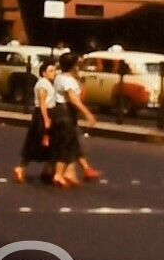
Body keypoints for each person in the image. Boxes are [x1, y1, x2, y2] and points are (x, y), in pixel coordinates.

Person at [51, 51, 100, 188]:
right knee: (65, 144)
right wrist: (87, 113)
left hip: (60, 112)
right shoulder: (68, 81)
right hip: (66, 113)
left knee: (69, 143)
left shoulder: (60, 77)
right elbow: (73, 99)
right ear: (73, 65)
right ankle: (58, 175)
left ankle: (66, 174)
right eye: (77, 64)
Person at [14, 57, 58, 185]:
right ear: (43, 73)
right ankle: (21, 168)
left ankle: (47, 170)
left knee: (47, 143)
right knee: (37, 142)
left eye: (54, 71)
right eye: (50, 71)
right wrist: (46, 120)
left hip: (47, 113)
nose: (54, 73)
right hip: (43, 114)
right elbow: (42, 103)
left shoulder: (48, 83)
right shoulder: (42, 84)